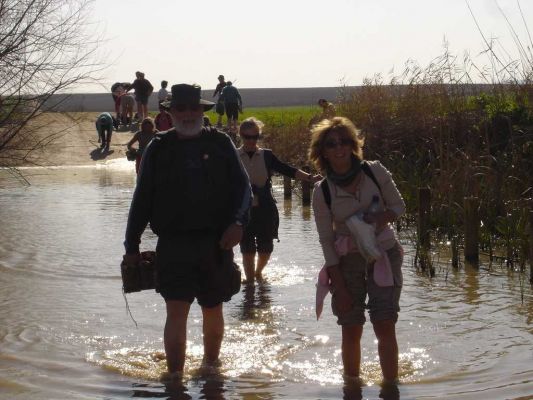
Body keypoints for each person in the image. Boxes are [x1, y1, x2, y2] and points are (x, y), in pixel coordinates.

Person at [123, 83, 252, 379]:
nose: (188, 113)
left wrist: (238, 223)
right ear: (170, 112)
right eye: (181, 108)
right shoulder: (158, 147)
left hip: (216, 243)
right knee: (176, 312)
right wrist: (131, 246)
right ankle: (175, 379)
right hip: (173, 244)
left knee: (213, 308)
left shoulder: (221, 143)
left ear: (202, 110)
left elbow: (243, 187)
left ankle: (210, 369)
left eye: (194, 108)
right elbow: (141, 199)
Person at [309, 117, 405, 384]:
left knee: (384, 322)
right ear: (323, 151)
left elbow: (399, 207)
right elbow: (326, 241)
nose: (339, 148)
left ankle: (391, 388)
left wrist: (375, 219)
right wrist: (337, 285)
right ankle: (352, 387)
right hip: (346, 261)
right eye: (331, 144)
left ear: (354, 144)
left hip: (383, 254)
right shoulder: (322, 191)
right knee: (351, 327)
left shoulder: (375, 171)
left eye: (344, 141)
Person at [238, 117, 319, 283]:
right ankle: (250, 281)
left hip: (266, 206)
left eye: (255, 137)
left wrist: (310, 177)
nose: (252, 141)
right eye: (248, 137)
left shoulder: (266, 155)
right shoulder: (233, 155)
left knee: (266, 247)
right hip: (243, 207)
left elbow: (286, 169)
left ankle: (258, 272)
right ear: (241, 136)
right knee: (247, 247)